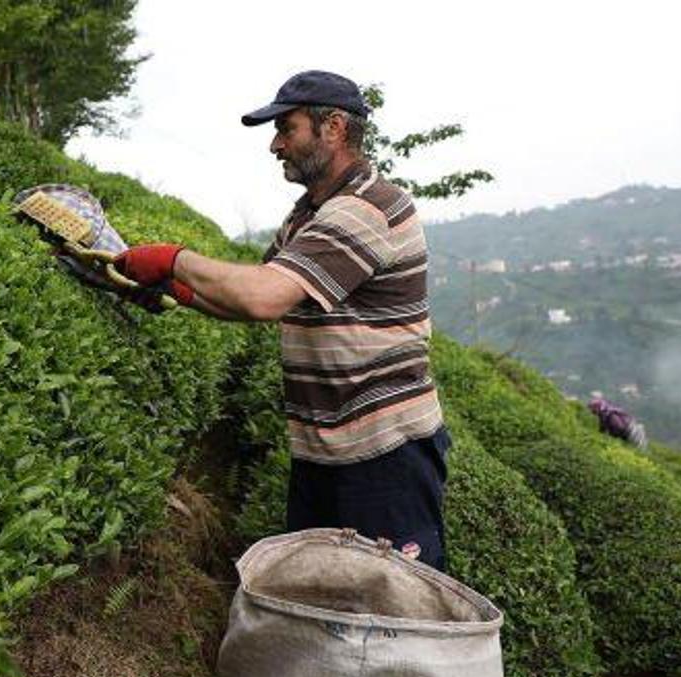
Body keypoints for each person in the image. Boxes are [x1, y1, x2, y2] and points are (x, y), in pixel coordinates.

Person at [115, 70, 452, 570]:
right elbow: (259, 295)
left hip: (385, 457)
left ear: (333, 127)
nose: (275, 145)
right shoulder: (309, 215)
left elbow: (264, 297)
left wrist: (173, 260)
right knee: (321, 599)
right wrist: (176, 293)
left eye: (286, 129)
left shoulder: (367, 209)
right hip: (324, 450)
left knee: (392, 612)